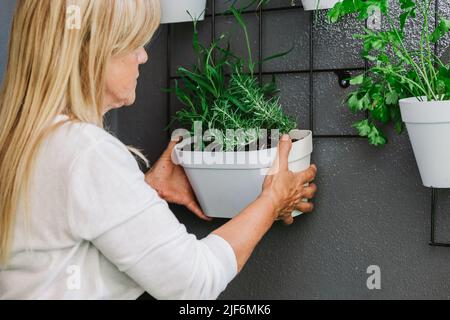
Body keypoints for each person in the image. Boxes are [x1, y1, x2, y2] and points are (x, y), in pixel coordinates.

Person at [0, 0, 317, 300]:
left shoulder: (24, 138)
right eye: (133, 42)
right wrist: (272, 200)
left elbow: (65, 233)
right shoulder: (86, 152)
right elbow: (194, 281)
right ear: (90, 52)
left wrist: (145, 190)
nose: (143, 56)